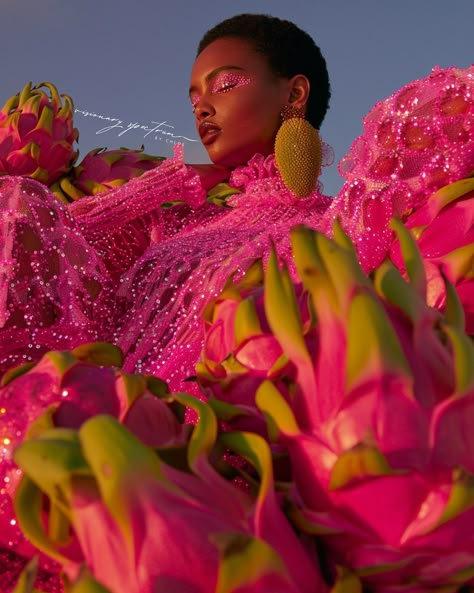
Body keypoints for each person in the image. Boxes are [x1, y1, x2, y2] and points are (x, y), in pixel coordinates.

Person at [0, 14, 333, 391]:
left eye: (224, 85)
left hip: (210, 437)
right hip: (92, 417)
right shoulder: (182, 221)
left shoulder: (345, 221)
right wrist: (172, 178)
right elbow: (43, 241)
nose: (201, 107)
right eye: (194, 98)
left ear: (294, 94)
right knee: (17, 197)